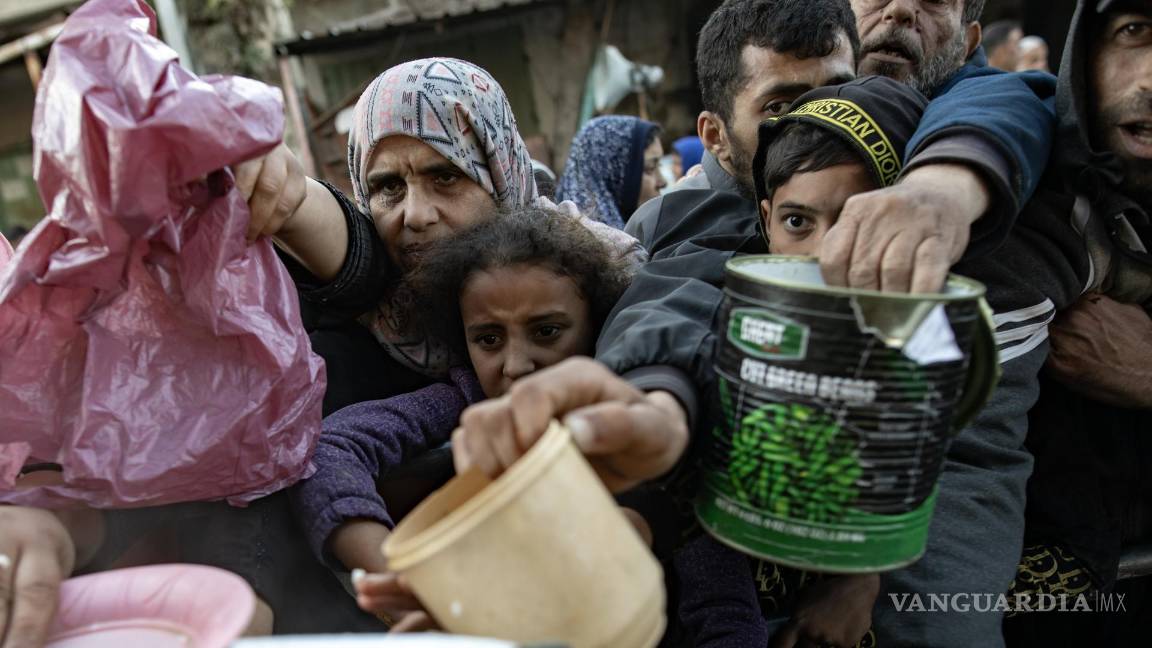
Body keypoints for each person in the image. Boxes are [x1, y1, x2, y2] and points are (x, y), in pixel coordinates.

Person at [290, 206, 634, 631]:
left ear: (596, 323)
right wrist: (400, 579)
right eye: (488, 339)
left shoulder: (634, 428)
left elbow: (718, 605)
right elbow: (329, 452)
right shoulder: (460, 403)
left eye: (546, 331)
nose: (516, 366)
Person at [236, 57, 640, 415]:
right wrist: (268, 171)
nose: (415, 215)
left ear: (501, 175)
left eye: (446, 177)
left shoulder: (603, 273)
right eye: (388, 187)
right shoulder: (378, 290)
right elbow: (329, 227)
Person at [556, 116, 666, 229]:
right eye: (650, 168)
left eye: (660, 166)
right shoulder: (588, 241)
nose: (663, 182)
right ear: (614, 175)